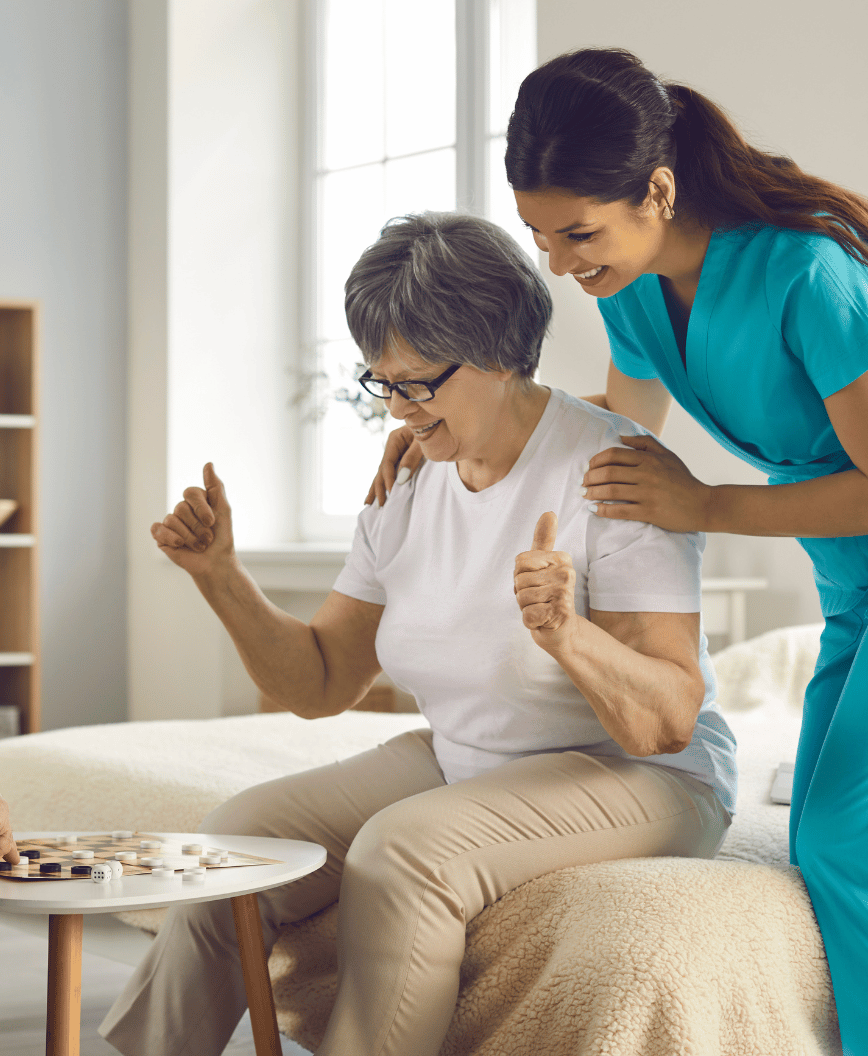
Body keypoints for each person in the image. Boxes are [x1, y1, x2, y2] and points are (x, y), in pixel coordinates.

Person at [100, 211, 735, 1056]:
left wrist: (567, 635)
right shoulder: (409, 474)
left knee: (404, 852)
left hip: (647, 775)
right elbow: (321, 683)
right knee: (235, 843)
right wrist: (222, 577)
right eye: (381, 383)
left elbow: (666, 722)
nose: (396, 408)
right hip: (469, 754)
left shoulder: (615, 471)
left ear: (504, 353)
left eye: (418, 383)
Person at [367, 48, 868, 1056]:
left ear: (658, 189)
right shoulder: (629, 287)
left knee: (836, 845)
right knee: (824, 842)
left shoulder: (808, 274)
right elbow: (600, 425)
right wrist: (444, 415)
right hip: (845, 583)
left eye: (576, 233)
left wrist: (705, 507)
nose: (558, 262)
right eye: (539, 236)